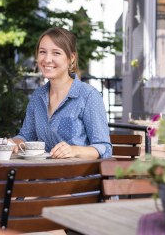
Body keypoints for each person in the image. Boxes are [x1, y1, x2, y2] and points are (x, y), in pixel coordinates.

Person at [12, 27, 111, 159]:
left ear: (71, 58)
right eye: (42, 52)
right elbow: (25, 136)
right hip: (43, 176)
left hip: (78, 177)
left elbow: (104, 147)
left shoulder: (88, 96)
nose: (47, 59)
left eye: (56, 53)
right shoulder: (37, 96)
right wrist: (13, 143)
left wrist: (75, 150)